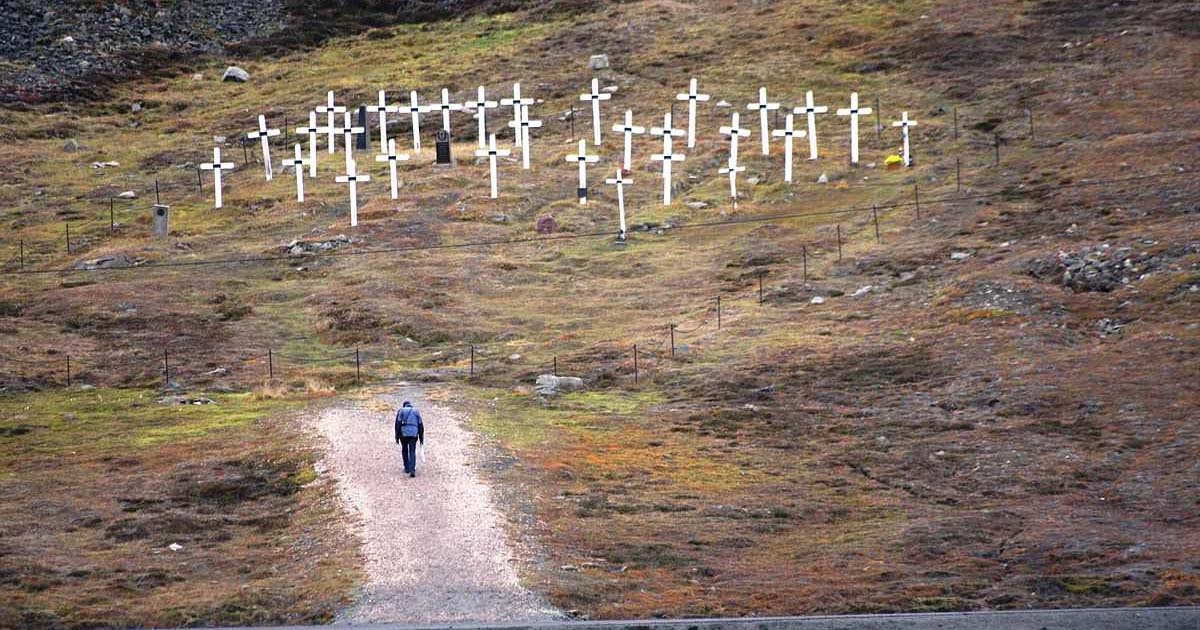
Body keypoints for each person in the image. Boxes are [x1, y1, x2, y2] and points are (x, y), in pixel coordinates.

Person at [394, 400, 424, 477]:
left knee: (404, 449)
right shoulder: (416, 411)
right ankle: (412, 470)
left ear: (404, 405)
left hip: (403, 434)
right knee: (412, 451)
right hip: (414, 434)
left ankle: (407, 468)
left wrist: (397, 436)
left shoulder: (401, 411)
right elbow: (420, 425)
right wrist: (421, 438)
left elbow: (398, 424)